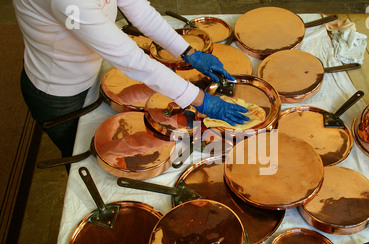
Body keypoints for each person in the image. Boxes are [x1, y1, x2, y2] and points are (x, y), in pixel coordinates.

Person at [13, 0, 249, 159]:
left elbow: (139, 9)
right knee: (87, 156)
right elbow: (133, 61)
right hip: (59, 93)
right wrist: (202, 101)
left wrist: (188, 52)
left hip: (90, 67)